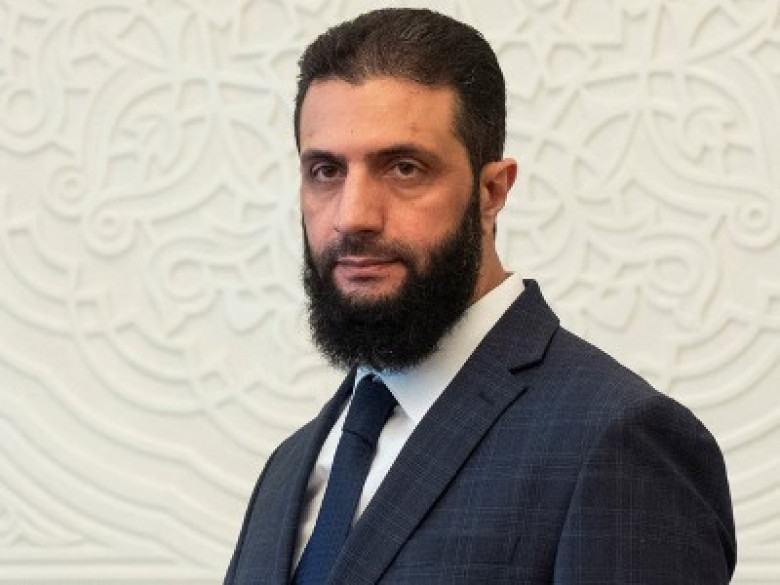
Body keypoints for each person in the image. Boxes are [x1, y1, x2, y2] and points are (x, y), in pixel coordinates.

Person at [224, 8, 736, 584]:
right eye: (325, 171)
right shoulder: (290, 467)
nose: (353, 216)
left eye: (404, 168)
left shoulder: (618, 440)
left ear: (492, 192)